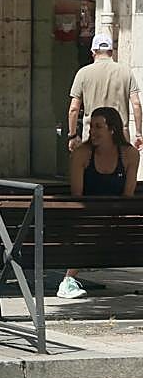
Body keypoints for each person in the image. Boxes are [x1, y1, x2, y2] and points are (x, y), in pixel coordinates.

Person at [62, 106, 140, 299]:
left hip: (117, 217)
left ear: (112, 129)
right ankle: (68, 281)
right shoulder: (82, 154)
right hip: (88, 217)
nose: (92, 132)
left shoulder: (129, 154)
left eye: (98, 127)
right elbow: (77, 194)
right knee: (89, 229)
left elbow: (128, 195)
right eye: (91, 127)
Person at [67, 33, 142, 152]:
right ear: (111, 52)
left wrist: (73, 135)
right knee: (121, 168)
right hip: (120, 135)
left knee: (91, 168)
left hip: (92, 136)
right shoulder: (126, 72)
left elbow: (74, 109)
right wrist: (138, 134)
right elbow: (136, 104)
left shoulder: (83, 73)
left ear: (93, 52)